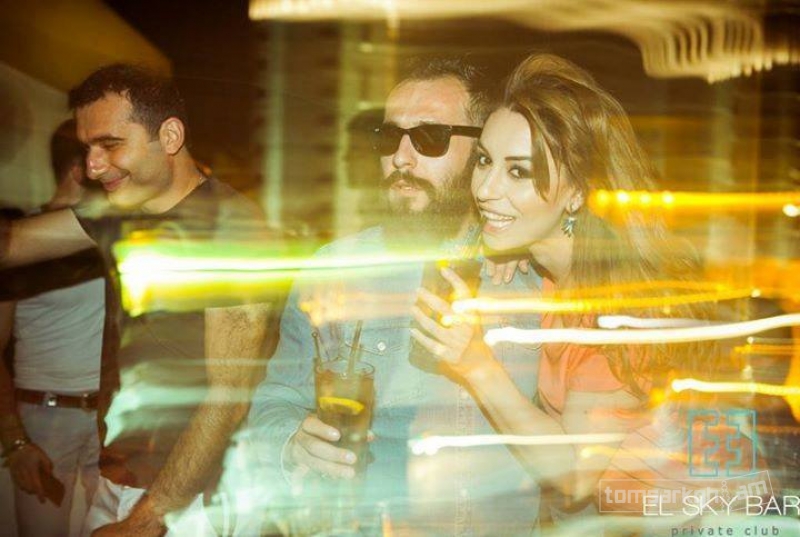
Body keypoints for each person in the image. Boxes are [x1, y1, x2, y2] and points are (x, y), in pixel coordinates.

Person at [411, 53, 745, 531]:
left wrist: (476, 364)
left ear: (576, 192)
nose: (484, 189)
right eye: (484, 161)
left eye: (519, 172)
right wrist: (510, 245)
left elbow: (573, 479)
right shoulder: (555, 271)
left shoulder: (619, 308)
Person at [245, 57, 542, 535]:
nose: (402, 158)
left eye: (430, 137)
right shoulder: (335, 269)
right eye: (389, 137)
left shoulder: (532, 271)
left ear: (482, 150)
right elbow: (276, 397)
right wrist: (291, 444)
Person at [0, 64, 273, 536]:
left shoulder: (232, 228)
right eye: (87, 148)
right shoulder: (120, 212)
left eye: (109, 145)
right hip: (118, 481)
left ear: (169, 136)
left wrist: (144, 523)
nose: (92, 166)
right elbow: (15, 244)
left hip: (185, 503)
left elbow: (227, 397)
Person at [0, 119, 107, 537]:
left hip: (107, 420)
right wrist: (15, 440)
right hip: (44, 421)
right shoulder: (21, 245)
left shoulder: (109, 235)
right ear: (80, 170)